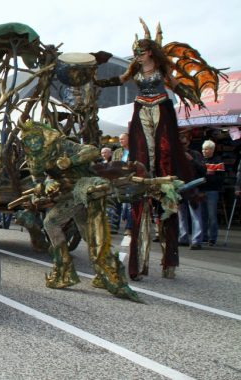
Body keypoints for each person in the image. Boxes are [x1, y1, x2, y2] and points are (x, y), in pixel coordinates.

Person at [95, 25, 202, 280]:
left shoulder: (162, 70)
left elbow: (177, 87)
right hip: (142, 110)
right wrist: (96, 80)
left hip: (161, 109)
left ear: (150, 52)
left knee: (164, 148)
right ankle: (146, 168)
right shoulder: (134, 71)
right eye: (136, 53)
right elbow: (118, 81)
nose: (138, 56)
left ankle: (162, 170)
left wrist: (193, 97)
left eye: (140, 52)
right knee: (143, 149)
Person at [18, 120, 139, 302]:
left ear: (43, 136)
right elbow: (38, 180)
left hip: (86, 187)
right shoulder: (34, 157)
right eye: (28, 140)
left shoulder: (60, 144)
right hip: (68, 193)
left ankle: (65, 272)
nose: (32, 143)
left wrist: (71, 161)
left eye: (35, 138)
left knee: (51, 222)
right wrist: (44, 185)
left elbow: (92, 150)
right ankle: (103, 273)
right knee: (87, 233)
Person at [178, 131, 205, 249]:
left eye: (185, 143)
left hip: (193, 187)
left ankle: (196, 240)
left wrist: (191, 160)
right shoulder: (175, 155)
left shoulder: (195, 154)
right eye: (181, 144)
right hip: (179, 187)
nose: (183, 145)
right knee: (181, 214)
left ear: (188, 142)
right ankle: (183, 237)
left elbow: (203, 170)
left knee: (195, 215)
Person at [200, 140, 224, 246]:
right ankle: (204, 236)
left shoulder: (218, 161)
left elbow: (221, 178)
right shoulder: (200, 160)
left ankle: (213, 237)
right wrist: (208, 174)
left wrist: (209, 176)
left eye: (206, 149)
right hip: (201, 190)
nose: (204, 151)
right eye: (203, 149)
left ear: (212, 150)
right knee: (202, 215)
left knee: (212, 215)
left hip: (212, 190)